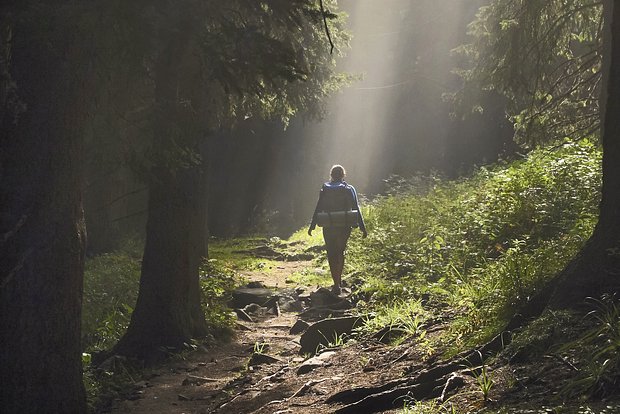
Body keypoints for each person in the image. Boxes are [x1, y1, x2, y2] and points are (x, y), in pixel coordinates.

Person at [308, 165, 367, 295]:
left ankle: (335, 283)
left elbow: (318, 207)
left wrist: (312, 225)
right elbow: (356, 208)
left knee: (331, 253)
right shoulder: (348, 188)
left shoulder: (325, 189)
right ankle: (338, 283)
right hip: (344, 225)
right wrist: (362, 227)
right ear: (343, 175)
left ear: (331, 175)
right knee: (340, 252)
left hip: (329, 225)